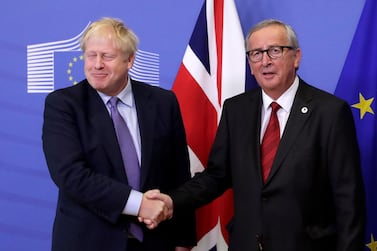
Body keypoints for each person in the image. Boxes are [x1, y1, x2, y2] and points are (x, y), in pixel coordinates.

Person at [145, 19, 366, 251]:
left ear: (296, 57)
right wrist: (172, 200)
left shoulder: (329, 111)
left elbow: (348, 197)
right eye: (256, 54)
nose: (265, 61)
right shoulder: (237, 110)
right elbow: (216, 176)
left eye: (275, 51)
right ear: (250, 64)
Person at [42, 17, 196, 251]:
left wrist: (184, 241)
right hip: (88, 242)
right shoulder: (63, 104)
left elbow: (179, 174)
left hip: (156, 242)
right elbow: (70, 174)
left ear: (130, 60)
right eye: (91, 55)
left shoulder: (163, 102)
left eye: (107, 56)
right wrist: (139, 204)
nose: (97, 64)